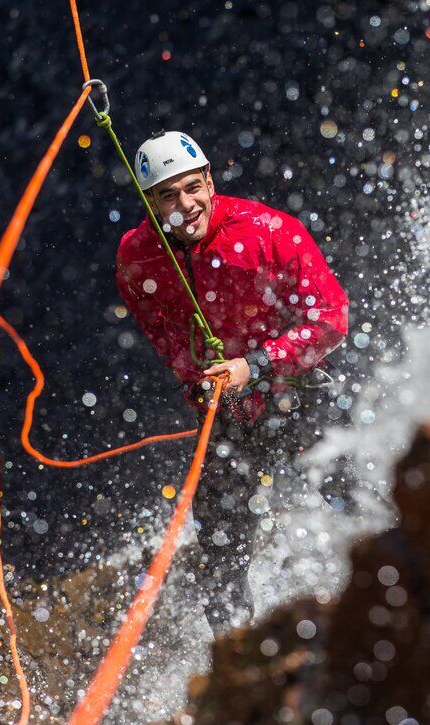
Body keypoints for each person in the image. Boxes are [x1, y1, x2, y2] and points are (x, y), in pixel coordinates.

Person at [116, 131, 349, 631]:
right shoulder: (137, 258)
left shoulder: (268, 231)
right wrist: (195, 382)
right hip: (227, 406)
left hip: (299, 390)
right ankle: (233, 648)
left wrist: (258, 366)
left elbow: (331, 318)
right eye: (168, 195)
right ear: (150, 202)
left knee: (347, 489)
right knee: (221, 544)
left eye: (193, 187)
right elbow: (164, 335)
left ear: (209, 180)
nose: (186, 205)